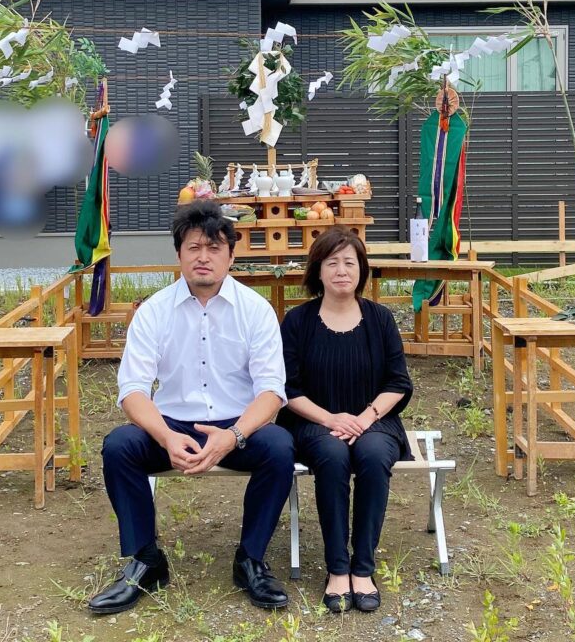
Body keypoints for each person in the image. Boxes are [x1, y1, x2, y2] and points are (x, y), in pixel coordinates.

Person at [89, 201, 295, 616]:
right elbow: (132, 389)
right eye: (194, 247)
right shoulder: (154, 312)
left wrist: (234, 435)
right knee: (119, 445)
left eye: (215, 248)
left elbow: (272, 390)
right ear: (179, 254)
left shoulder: (256, 311)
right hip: (171, 424)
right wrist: (165, 437)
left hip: (237, 426)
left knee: (279, 446)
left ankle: (250, 559)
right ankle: (146, 561)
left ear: (231, 256)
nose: (204, 257)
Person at [280, 227, 413, 614]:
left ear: (362, 270)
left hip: (375, 421)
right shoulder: (298, 322)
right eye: (332, 262)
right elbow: (286, 388)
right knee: (333, 455)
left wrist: (365, 417)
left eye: (349, 262)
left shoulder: (380, 318)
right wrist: (331, 418)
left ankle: (363, 568)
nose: (341, 270)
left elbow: (398, 382)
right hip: (314, 421)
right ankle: (338, 569)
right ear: (318, 271)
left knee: (373, 456)